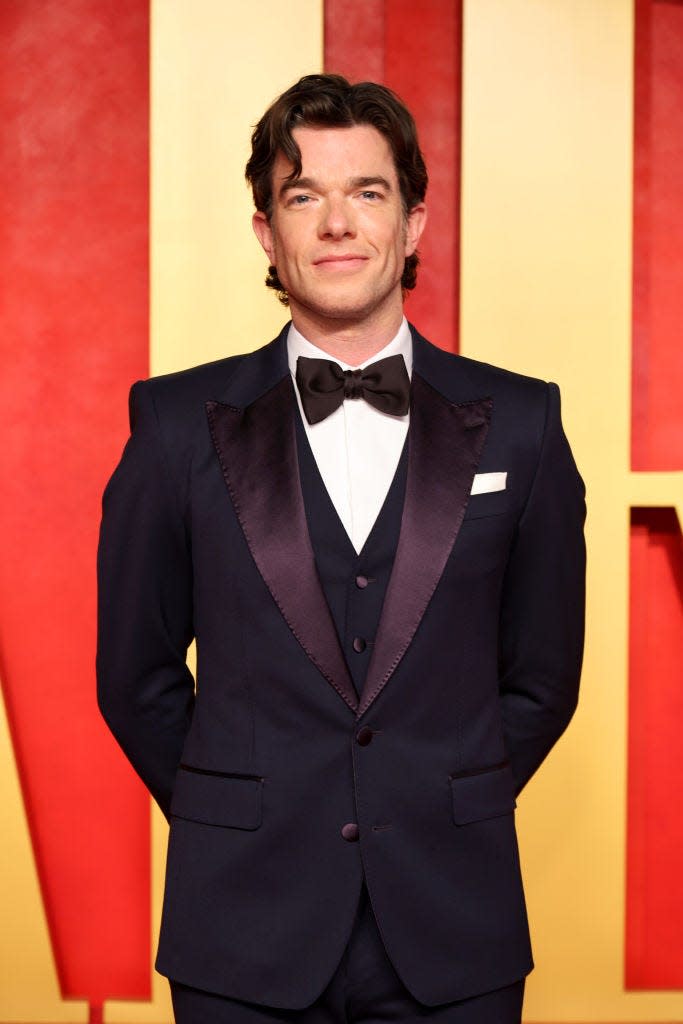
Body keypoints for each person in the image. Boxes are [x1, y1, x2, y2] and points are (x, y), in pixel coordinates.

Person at [97, 73, 586, 1023]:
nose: (335, 223)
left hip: (456, 925)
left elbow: (542, 678)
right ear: (265, 235)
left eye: (367, 192)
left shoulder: (523, 423)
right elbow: (135, 676)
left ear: (412, 227)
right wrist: (238, 813)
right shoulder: (171, 425)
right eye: (301, 196)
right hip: (239, 927)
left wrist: (439, 799)